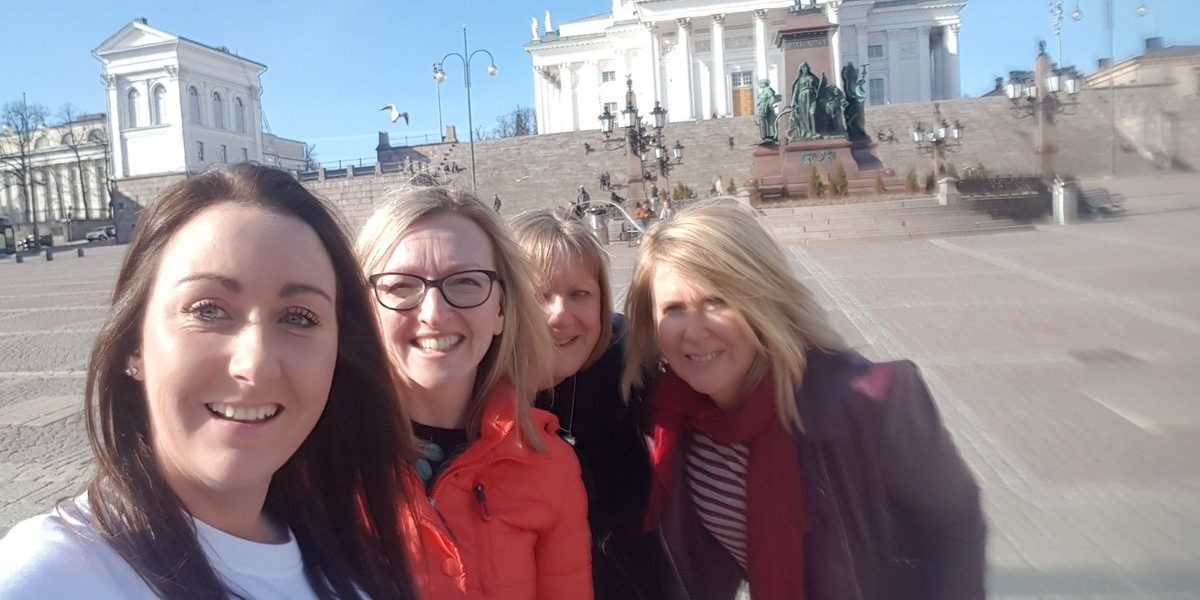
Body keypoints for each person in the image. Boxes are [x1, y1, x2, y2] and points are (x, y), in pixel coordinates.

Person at [0, 164, 420, 599]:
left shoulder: (353, 559)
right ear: (134, 344)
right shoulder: (48, 578)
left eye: (299, 317)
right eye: (207, 310)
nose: (255, 364)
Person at [621, 203, 986, 600]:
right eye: (674, 309)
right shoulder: (673, 419)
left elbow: (955, 527)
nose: (694, 331)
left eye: (717, 301)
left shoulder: (874, 401)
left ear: (762, 299)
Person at [356, 187, 592, 600]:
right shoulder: (318, 460)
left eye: (465, 282)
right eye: (400, 287)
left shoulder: (549, 465)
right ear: (365, 309)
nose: (434, 313)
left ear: (501, 309)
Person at [511, 210, 674, 600]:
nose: (559, 315)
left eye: (579, 294)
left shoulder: (630, 364)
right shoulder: (470, 400)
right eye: (538, 295)